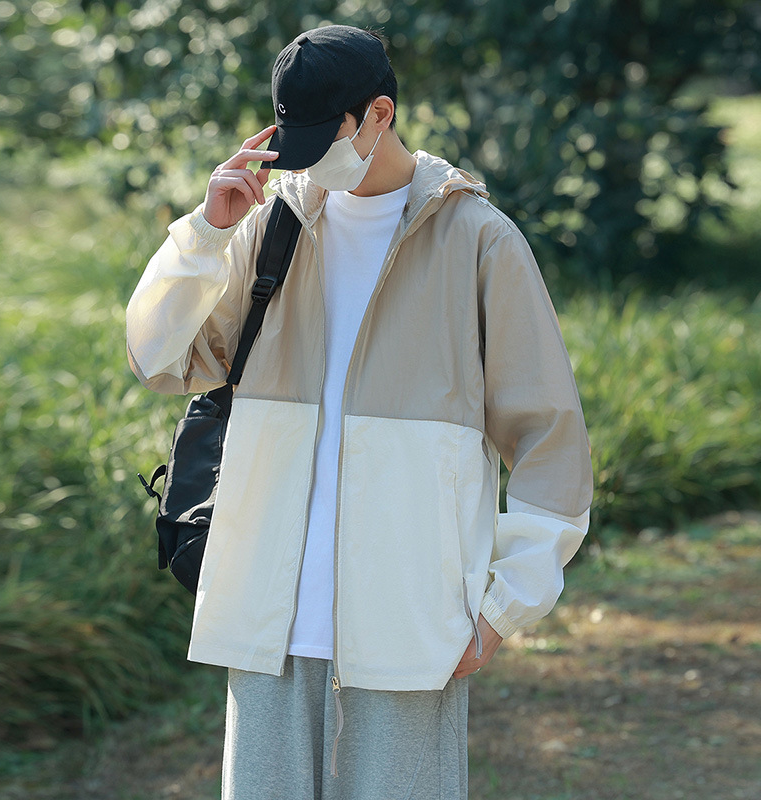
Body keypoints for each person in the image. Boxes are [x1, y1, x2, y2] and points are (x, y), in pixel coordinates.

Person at [126, 24, 593, 800]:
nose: (307, 165)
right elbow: (158, 359)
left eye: (323, 142)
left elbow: (550, 437)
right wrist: (208, 233)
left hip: (411, 624)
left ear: (379, 114)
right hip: (267, 620)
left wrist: (502, 608)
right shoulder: (271, 227)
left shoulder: (478, 241)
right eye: (295, 146)